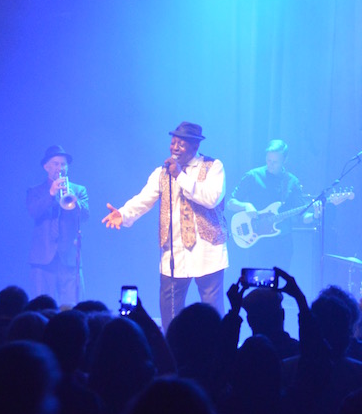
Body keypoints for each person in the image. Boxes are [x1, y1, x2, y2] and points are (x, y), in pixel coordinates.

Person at [102, 121, 228, 329]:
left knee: (212, 308)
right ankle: (173, 348)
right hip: (174, 251)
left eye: (181, 143)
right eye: (173, 142)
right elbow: (144, 199)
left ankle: (219, 351)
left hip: (208, 250)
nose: (175, 147)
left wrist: (180, 175)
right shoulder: (162, 172)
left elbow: (211, 198)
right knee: (170, 309)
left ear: (195, 147)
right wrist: (123, 214)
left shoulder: (213, 166)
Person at [226, 139, 310, 271]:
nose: (270, 165)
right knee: (259, 285)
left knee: (279, 285)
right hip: (258, 242)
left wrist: (315, 214)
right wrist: (246, 206)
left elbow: (302, 216)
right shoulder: (253, 176)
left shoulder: (292, 181)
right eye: (268, 160)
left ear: (285, 160)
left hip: (283, 243)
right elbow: (231, 203)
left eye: (275, 162)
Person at [27, 145, 89, 306]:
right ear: (46, 167)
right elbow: (33, 212)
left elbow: (85, 215)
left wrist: (73, 199)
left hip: (69, 259)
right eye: (55, 164)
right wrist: (51, 194)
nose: (59, 168)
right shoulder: (35, 190)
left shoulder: (78, 190)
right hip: (42, 260)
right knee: (41, 310)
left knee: (73, 310)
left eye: (63, 164)